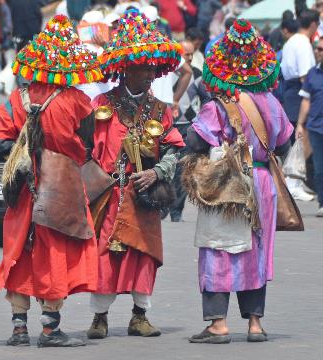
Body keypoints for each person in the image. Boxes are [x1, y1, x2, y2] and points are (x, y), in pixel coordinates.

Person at [0, 15, 103, 348]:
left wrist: (22, 149)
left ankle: (19, 327)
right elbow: (88, 145)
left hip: (24, 190)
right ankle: (50, 330)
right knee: (54, 255)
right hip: (61, 189)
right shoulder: (78, 101)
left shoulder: (18, 100)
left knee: (20, 251)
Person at [186, 19, 293, 344]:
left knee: (219, 248)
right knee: (256, 252)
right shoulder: (273, 104)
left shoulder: (219, 107)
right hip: (262, 182)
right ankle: (255, 324)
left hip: (229, 184)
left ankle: (218, 323)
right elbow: (285, 145)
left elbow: (194, 142)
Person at [86, 9, 184, 339]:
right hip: (109, 195)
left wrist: (157, 172)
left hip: (143, 196)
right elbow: (84, 146)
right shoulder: (102, 103)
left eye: (153, 69)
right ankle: (99, 317)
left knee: (144, 253)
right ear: (127, 69)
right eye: (144, 68)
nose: (151, 75)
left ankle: (139, 316)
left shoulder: (161, 110)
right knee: (104, 255)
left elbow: (174, 149)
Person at [165, 40, 210, 222]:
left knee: (182, 170)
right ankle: (162, 206)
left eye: (191, 54)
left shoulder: (198, 75)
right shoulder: (166, 73)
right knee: (165, 167)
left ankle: (177, 212)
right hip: (167, 127)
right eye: (186, 54)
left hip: (188, 126)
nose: (189, 58)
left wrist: (202, 120)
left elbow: (206, 98)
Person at [281, 9, 319, 201]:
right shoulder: (303, 43)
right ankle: (292, 181)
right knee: (305, 137)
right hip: (300, 91)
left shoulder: (292, 40)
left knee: (300, 138)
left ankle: (294, 179)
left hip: (290, 90)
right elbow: (306, 76)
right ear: (313, 24)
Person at [296, 36, 323, 217]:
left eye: (321, 49)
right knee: (319, 167)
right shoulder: (312, 73)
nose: (317, 51)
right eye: (317, 48)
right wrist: (300, 124)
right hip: (315, 127)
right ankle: (322, 202)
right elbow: (306, 100)